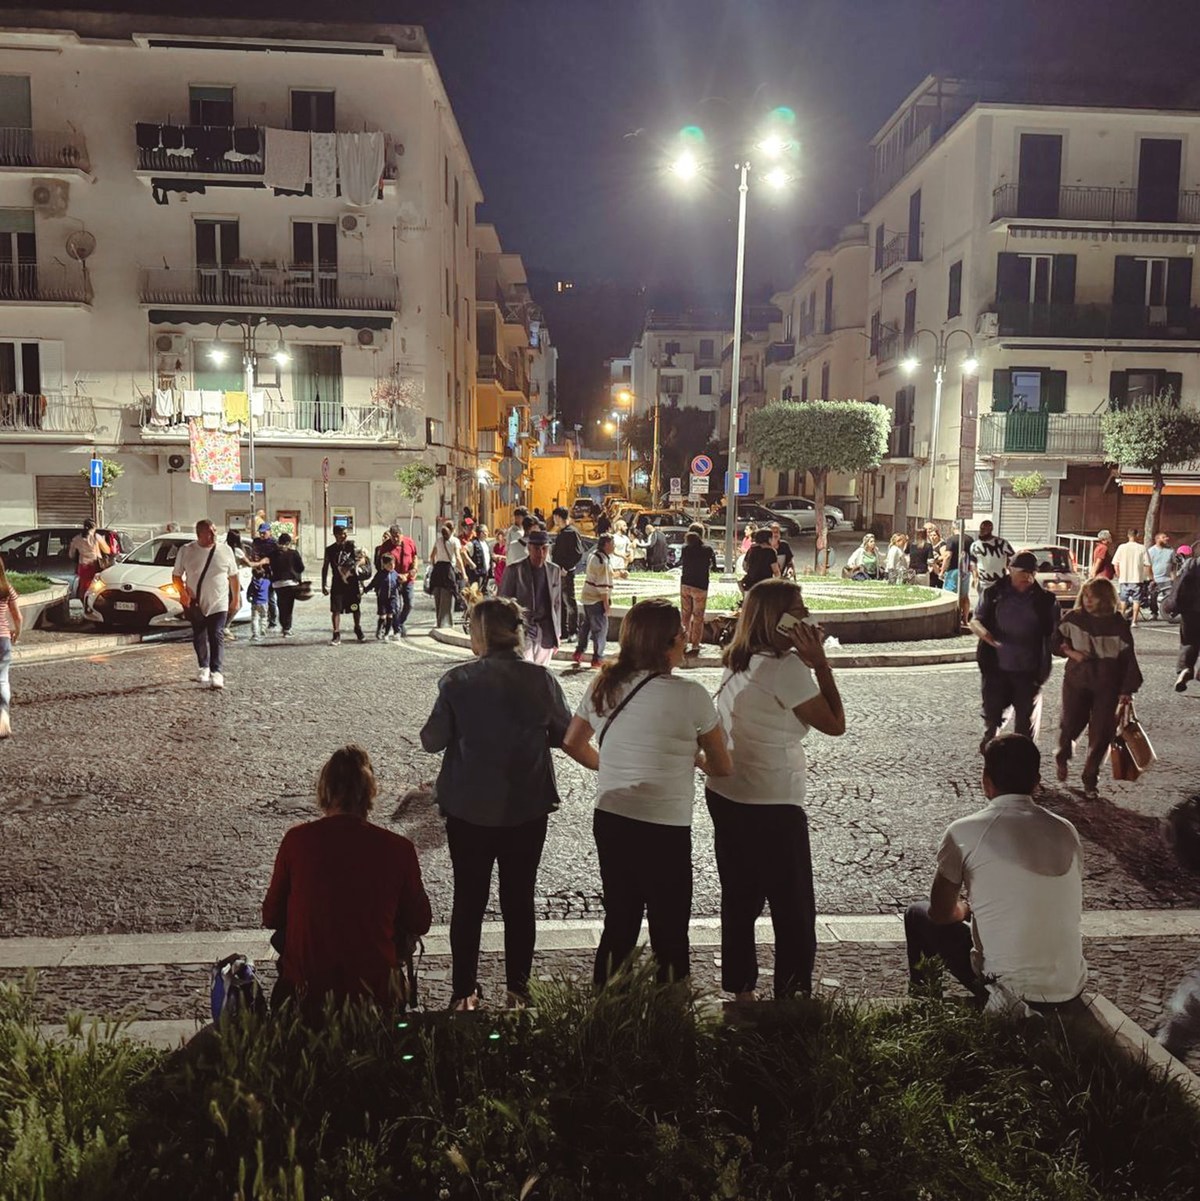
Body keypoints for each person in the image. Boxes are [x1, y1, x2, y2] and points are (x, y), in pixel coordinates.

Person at [561, 599, 732, 986]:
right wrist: (696, 759)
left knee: (620, 919)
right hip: (665, 825)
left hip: (612, 817)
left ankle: (606, 1015)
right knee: (669, 926)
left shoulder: (603, 683)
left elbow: (572, 742)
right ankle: (669, 1020)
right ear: (670, 642)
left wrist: (612, 765)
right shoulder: (691, 695)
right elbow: (722, 766)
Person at [420, 598, 572, 1009]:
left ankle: (463, 992)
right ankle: (518, 992)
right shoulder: (541, 681)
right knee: (519, 900)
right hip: (526, 806)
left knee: (469, 901)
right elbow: (563, 734)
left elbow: (431, 740)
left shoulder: (457, 682)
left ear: (481, 635)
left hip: (469, 809)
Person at [707, 579, 845, 1001]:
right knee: (793, 906)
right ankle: (791, 993)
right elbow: (835, 723)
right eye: (799, 608)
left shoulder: (738, 659)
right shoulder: (787, 668)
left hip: (727, 791)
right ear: (779, 619)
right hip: (772, 800)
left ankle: (740, 988)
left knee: (740, 898)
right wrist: (819, 663)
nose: (807, 614)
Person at [904, 735, 1087, 1013]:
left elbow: (940, 913)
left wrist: (967, 908)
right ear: (1037, 781)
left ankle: (925, 1004)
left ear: (985, 780)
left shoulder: (964, 831)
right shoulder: (1066, 830)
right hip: (1069, 987)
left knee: (916, 914)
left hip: (1008, 991)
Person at [262, 745, 432, 1011]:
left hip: (306, 993)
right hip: (376, 994)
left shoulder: (297, 841)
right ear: (370, 793)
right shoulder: (398, 849)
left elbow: (271, 916)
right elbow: (420, 921)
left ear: (325, 791)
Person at [1053, 577, 1142, 799]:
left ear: (1105, 598)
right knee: (1071, 724)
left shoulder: (1118, 624)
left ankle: (1090, 779)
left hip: (1108, 685)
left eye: (1093, 596)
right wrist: (1072, 653)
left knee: (1102, 733)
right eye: (1085, 595)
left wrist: (1127, 689)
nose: (1088, 600)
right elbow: (1054, 643)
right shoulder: (1073, 618)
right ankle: (1063, 754)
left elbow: (1127, 658)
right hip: (1077, 681)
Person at [970, 551, 1059, 750]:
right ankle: (991, 756)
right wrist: (984, 634)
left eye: (1032, 573)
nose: (1028, 577)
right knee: (993, 720)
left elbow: (1055, 633)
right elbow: (975, 620)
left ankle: (1024, 767)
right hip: (996, 668)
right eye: (1023, 572)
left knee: (1025, 730)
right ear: (1010, 569)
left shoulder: (1046, 600)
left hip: (1029, 671)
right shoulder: (993, 593)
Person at [172, 518, 241, 690]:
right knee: (199, 633)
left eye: (215, 531)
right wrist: (182, 592)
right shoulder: (187, 551)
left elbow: (233, 576)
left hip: (219, 601)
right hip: (195, 601)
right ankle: (204, 666)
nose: (213, 535)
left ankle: (217, 671)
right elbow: (176, 575)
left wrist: (236, 599)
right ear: (199, 534)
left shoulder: (225, 551)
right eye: (209, 532)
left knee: (216, 633)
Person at [499, 528, 562, 665]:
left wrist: (557, 632)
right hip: (523, 629)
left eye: (544, 549)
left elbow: (556, 604)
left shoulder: (553, 570)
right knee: (525, 669)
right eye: (537, 549)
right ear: (529, 548)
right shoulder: (514, 570)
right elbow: (503, 603)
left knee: (542, 672)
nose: (541, 553)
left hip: (545, 630)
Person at [321, 525, 367, 645]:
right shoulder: (330, 550)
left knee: (354, 607)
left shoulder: (351, 545)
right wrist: (323, 584)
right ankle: (336, 633)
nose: (345, 535)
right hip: (337, 583)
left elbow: (362, 559)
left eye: (346, 533)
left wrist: (359, 573)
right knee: (336, 609)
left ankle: (357, 628)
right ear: (336, 535)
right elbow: (325, 567)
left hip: (351, 583)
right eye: (342, 533)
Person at [575, 532, 614, 667]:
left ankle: (579, 651)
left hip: (587, 597)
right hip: (596, 599)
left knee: (586, 625)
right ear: (607, 544)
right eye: (612, 544)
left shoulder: (594, 555)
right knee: (600, 629)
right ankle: (597, 658)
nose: (614, 547)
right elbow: (603, 585)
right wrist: (606, 605)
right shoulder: (602, 560)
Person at [1164, 544, 1200, 692]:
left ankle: (1185, 669)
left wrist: (1172, 605)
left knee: (1188, 641)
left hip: (1191, 611)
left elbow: (1179, 587)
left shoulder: (1191, 564)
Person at [680, 524, 717, 656]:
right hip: (700, 586)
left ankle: (683, 643)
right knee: (698, 617)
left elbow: (681, 562)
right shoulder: (707, 549)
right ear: (702, 534)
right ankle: (695, 644)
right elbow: (714, 565)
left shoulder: (685, 548)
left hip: (685, 584)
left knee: (685, 616)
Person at [551, 505, 585, 638]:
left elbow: (578, 553)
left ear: (559, 517)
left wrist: (566, 568)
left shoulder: (571, 532)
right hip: (558, 573)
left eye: (555, 517)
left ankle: (573, 631)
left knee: (569, 601)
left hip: (566, 573)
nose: (554, 520)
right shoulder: (562, 532)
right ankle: (563, 631)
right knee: (560, 602)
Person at [969, 520, 1014, 613]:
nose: (982, 531)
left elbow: (1013, 558)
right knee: (984, 606)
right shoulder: (975, 545)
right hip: (982, 582)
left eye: (985, 528)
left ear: (991, 529)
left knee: (998, 606)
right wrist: (974, 577)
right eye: (981, 528)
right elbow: (973, 562)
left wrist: (1010, 572)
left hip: (999, 581)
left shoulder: (1002, 543)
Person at [0, 553, 21, 739]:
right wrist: (17, 632)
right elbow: (18, 616)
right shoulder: (7, 589)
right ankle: (3, 718)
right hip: (4, 639)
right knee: (2, 680)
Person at [268, 532, 305, 638]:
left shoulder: (273, 554)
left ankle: (284, 626)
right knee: (289, 607)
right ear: (289, 542)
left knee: (281, 605)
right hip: (291, 582)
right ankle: (287, 629)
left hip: (277, 583)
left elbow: (270, 567)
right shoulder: (293, 553)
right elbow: (301, 567)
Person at [1112, 528, 1151, 625]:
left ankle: (1120, 620)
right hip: (1137, 579)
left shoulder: (1121, 547)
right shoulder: (1142, 548)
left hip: (1124, 578)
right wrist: (1150, 576)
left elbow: (1115, 563)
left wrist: (1119, 574)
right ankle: (1134, 621)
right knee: (1137, 600)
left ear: (1128, 535)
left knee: (1123, 599)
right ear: (1137, 535)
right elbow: (1147, 564)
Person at [428, 522, 462, 630]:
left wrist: (434, 566)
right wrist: (463, 572)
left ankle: (439, 622)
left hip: (438, 569)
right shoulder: (455, 541)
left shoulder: (438, 541)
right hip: (448, 570)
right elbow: (457, 557)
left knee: (438, 596)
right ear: (453, 529)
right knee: (448, 597)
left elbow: (432, 556)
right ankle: (448, 623)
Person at [363, 553, 402, 640]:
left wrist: (400, 586)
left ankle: (386, 634)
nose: (392, 566)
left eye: (393, 564)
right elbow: (373, 583)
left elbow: (398, 585)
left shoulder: (395, 574)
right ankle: (379, 630)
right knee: (383, 616)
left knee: (390, 615)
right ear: (384, 565)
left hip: (392, 598)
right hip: (382, 598)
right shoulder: (380, 574)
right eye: (389, 564)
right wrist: (366, 589)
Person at [68, 518, 111, 598]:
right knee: (95, 587)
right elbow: (107, 550)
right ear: (94, 528)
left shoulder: (76, 539)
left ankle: (84, 603)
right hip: (94, 566)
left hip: (82, 567)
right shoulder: (97, 537)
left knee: (83, 588)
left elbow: (71, 555)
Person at [251, 522, 279, 631]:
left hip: (269, 573)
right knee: (258, 596)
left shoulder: (274, 543)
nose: (262, 535)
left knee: (271, 598)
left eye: (264, 533)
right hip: (258, 572)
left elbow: (277, 558)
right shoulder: (256, 542)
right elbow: (253, 554)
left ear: (269, 532)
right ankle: (260, 620)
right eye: (260, 533)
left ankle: (272, 621)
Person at [1147, 531, 1176, 620]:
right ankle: (1154, 613)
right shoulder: (1151, 551)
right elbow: (1148, 565)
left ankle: (1170, 613)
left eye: (1166, 537)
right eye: (1163, 537)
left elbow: (1173, 565)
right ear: (1157, 539)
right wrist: (1151, 578)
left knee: (1171, 597)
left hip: (1167, 579)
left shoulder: (1171, 550)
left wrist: (1173, 577)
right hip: (1156, 579)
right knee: (1153, 597)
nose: (1166, 539)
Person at [247, 570, 271, 643]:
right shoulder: (267, 582)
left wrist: (248, 598)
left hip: (255, 602)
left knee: (255, 618)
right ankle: (263, 629)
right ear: (263, 574)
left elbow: (249, 592)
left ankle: (255, 634)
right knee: (264, 616)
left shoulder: (252, 583)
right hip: (264, 602)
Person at [503, 506, 529, 576]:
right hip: (514, 561)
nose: (516, 519)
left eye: (519, 517)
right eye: (516, 517)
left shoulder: (523, 529)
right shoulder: (514, 531)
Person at [926, 524, 944, 590]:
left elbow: (944, 556)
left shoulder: (941, 545)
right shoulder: (930, 545)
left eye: (934, 535)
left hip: (938, 570)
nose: (932, 537)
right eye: (931, 535)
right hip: (931, 571)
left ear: (938, 536)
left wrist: (935, 560)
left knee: (939, 588)